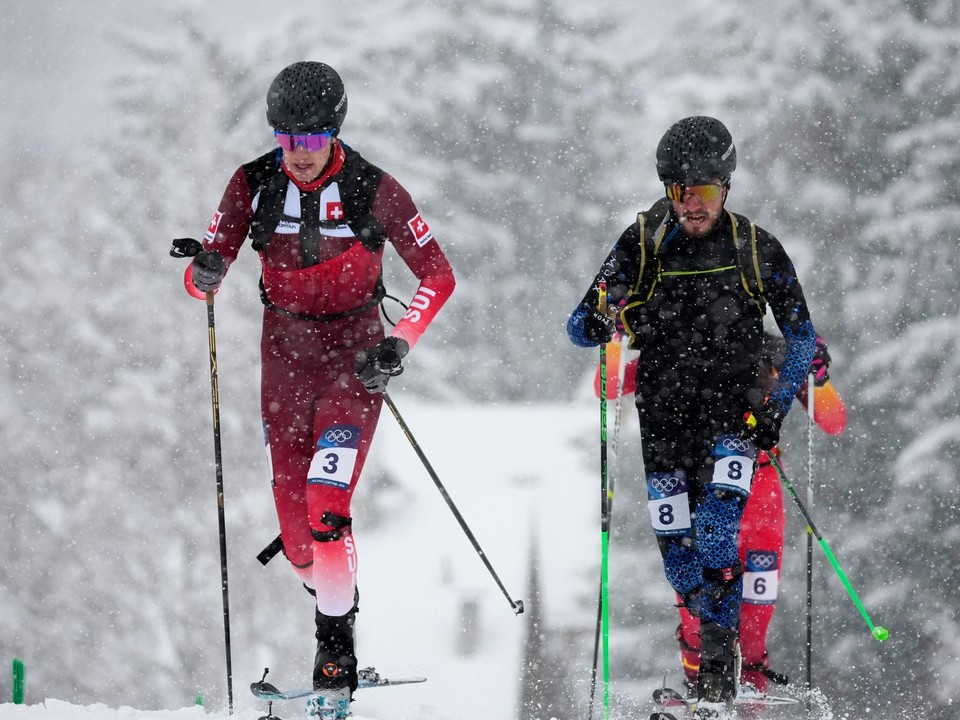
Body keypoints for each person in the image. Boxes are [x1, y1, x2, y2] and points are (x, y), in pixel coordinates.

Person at [182, 61, 456, 719]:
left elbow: (438, 276)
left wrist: (398, 344)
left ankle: (335, 653)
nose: (297, 154)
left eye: (309, 139)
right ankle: (335, 589)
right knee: (301, 539)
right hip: (282, 362)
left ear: (334, 131)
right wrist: (206, 269)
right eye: (285, 138)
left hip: (352, 364)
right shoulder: (251, 184)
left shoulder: (373, 188)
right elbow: (200, 281)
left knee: (327, 504)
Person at [567, 116, 818, 719]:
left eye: (702, 191)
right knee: (679, 560)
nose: (690, 204)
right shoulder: (643, 241)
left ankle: (718, 674)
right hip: (664, 423)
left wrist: (774, 414)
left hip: (735, 422)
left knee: (715, 534)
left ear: (726, 187)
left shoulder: (756, 248)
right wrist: (600, 322)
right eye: (678, 189)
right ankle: (708, 662)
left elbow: (803, 339)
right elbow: (580, 325)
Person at [675, 333, 846, 694]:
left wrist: (819, 376)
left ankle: (752, 696)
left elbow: (833, 421)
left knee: (755, 619)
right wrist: (614, 336)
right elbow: (608, 387)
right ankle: (697, 689)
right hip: (702, 494)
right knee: (697, 618)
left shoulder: (771, 348)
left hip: (762, 504)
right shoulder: (683, 338)